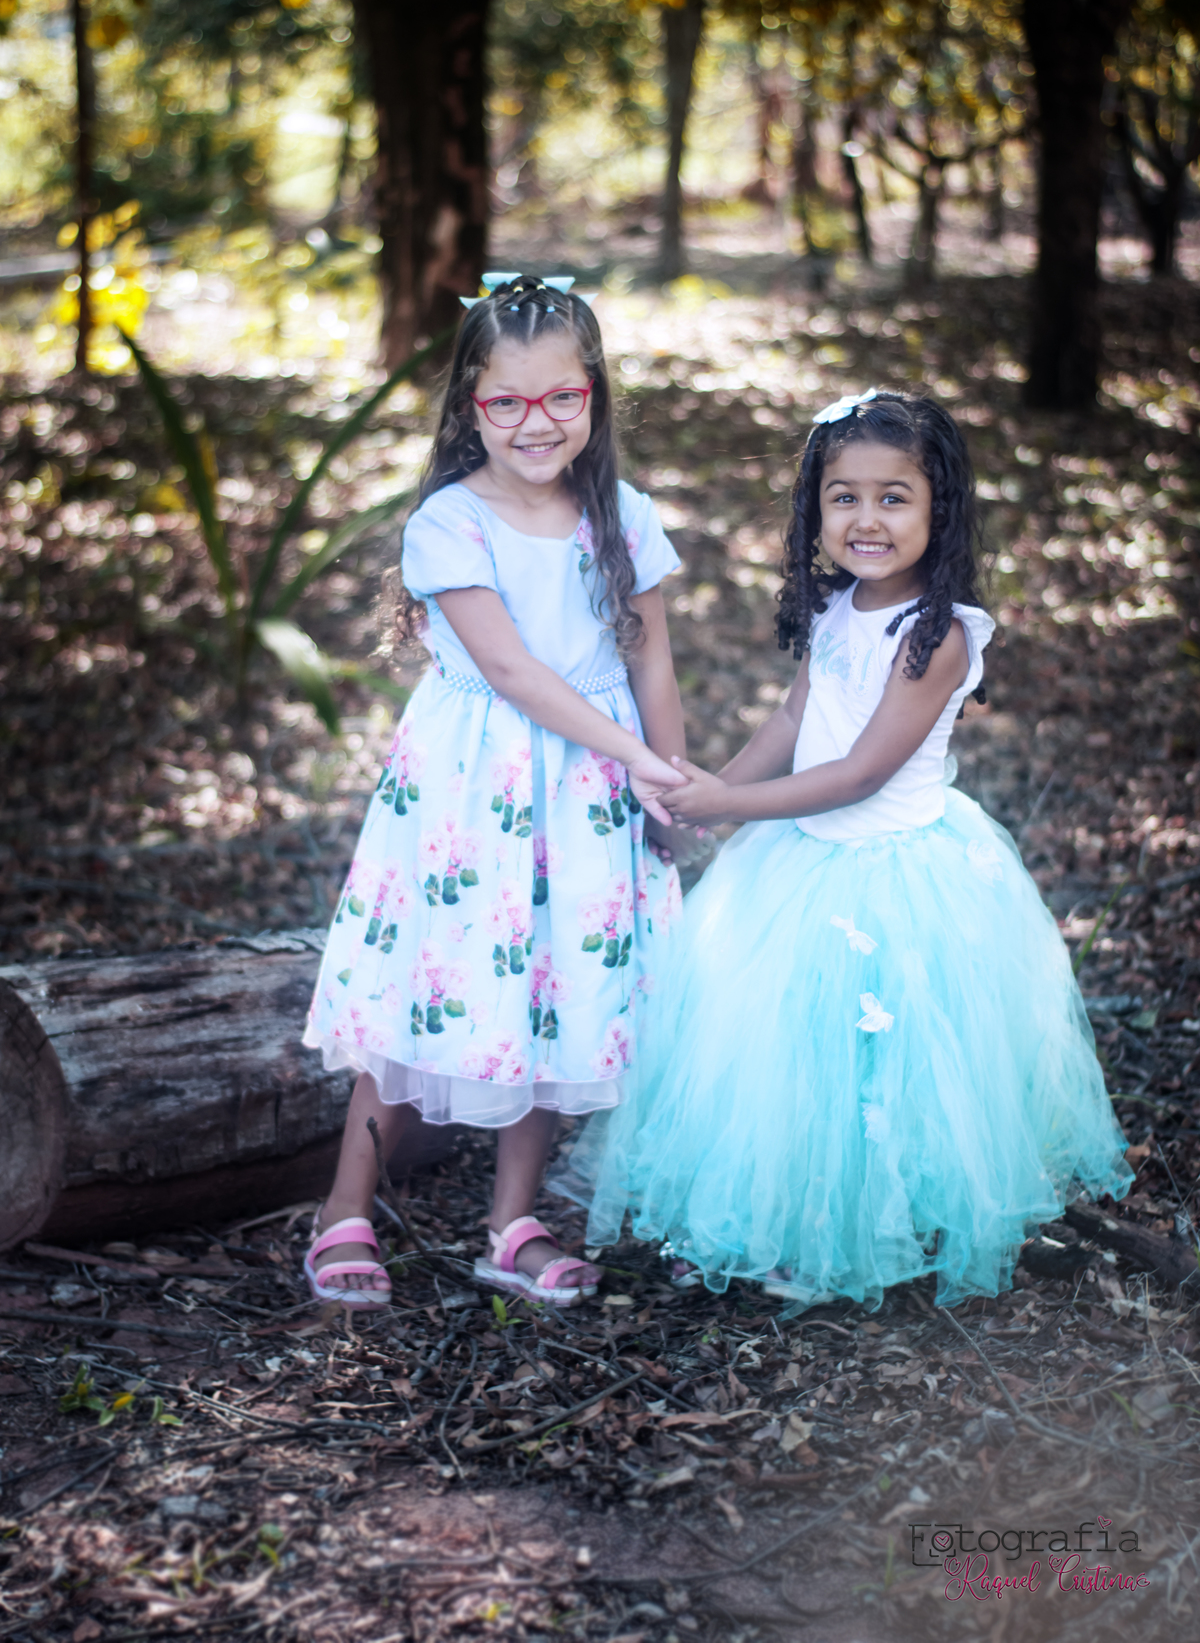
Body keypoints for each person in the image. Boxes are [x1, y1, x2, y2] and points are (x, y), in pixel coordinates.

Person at [558, 388, 1132, 1309]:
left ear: (940, 508)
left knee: (882, 1058)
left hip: (897, 871)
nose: (867, 519)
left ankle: (861, 1230)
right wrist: (712, 799)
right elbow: (797, 718)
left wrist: (732, 802)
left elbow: (862, 772)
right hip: (801, 857)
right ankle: (771, 1219)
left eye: (894, 497)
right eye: (844, 497)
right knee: (784, 1049)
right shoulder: (836, 607)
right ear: (814, 511)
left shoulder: (937, 635)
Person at [301, 272, 686, 1308]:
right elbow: (512, 671)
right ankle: (344, 1206)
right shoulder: (451, 522)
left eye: (562, 396)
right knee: (424, 980)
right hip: (476, 789)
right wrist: (635, 754)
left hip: (592, 787)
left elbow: (651, 658)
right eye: (507, 401)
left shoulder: (625, 516)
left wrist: (669, 779)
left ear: (594, 396)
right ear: (470, 406)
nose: (536, 421)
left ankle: (512, 1222)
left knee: (557, 984)